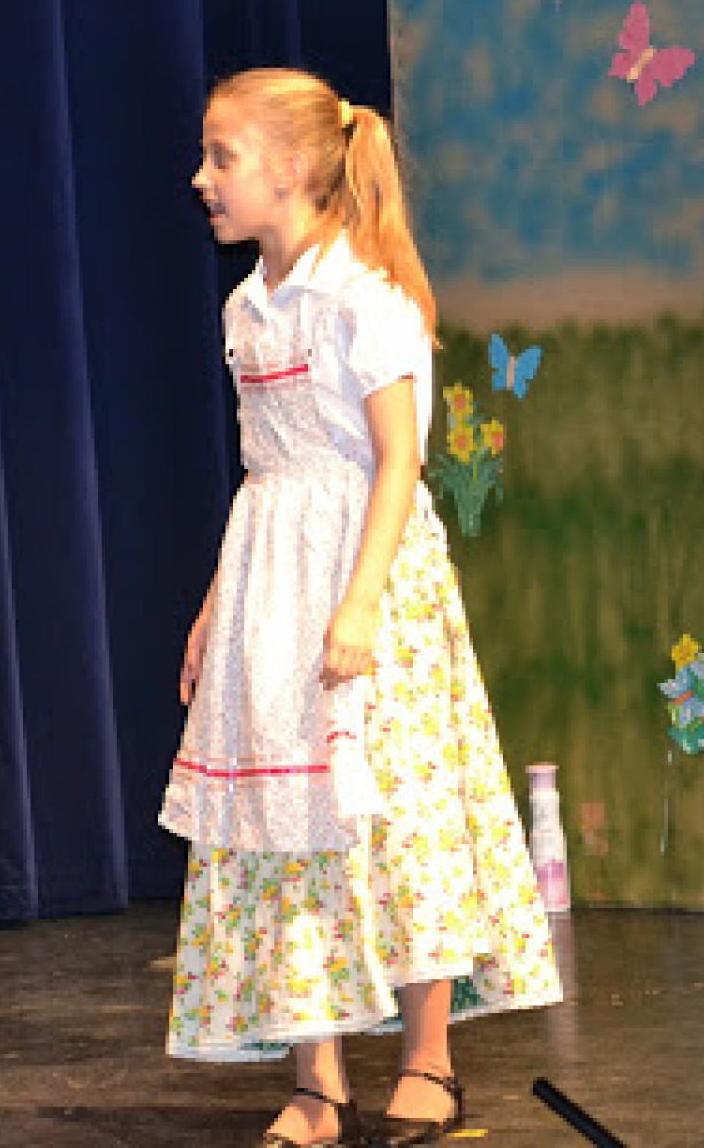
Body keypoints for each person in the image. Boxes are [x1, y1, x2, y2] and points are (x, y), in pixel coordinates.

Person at [161, 67, 562, 1148]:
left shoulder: (364, 297)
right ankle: (317, 1075)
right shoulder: (246, 306)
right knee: (289, 818)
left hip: (368, 571)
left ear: (293, 167)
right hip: (272, 578)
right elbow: (263, 472)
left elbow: (397, 463)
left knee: (397, 808)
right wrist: (217, 605)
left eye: (222, 156)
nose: (203, 177)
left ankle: (428, 1059)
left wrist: (361, 605)